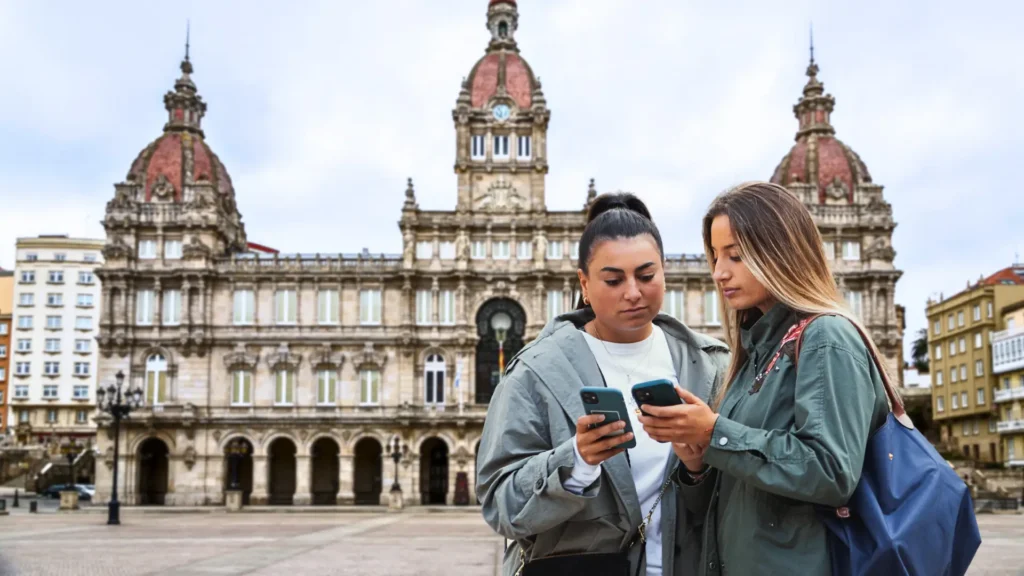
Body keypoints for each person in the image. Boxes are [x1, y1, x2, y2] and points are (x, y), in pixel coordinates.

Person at [636, 181, 891, 575]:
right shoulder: (754, 352)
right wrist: (699, 463)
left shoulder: (826, 338)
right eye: (716, 257)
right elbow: (741, 493)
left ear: (779, 251)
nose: (719, 273)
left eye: (735, 256)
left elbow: (830, 471)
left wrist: (716, 433)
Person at [476, 192, 730, 576]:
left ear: (665, 272)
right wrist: (576, 460)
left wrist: (699, 466)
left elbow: (743, 500)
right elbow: (500, 505)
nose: (633, 292)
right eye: (613, 279)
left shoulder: (711, 365)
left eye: (647, 276)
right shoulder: (534, 372)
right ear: (584, 283)